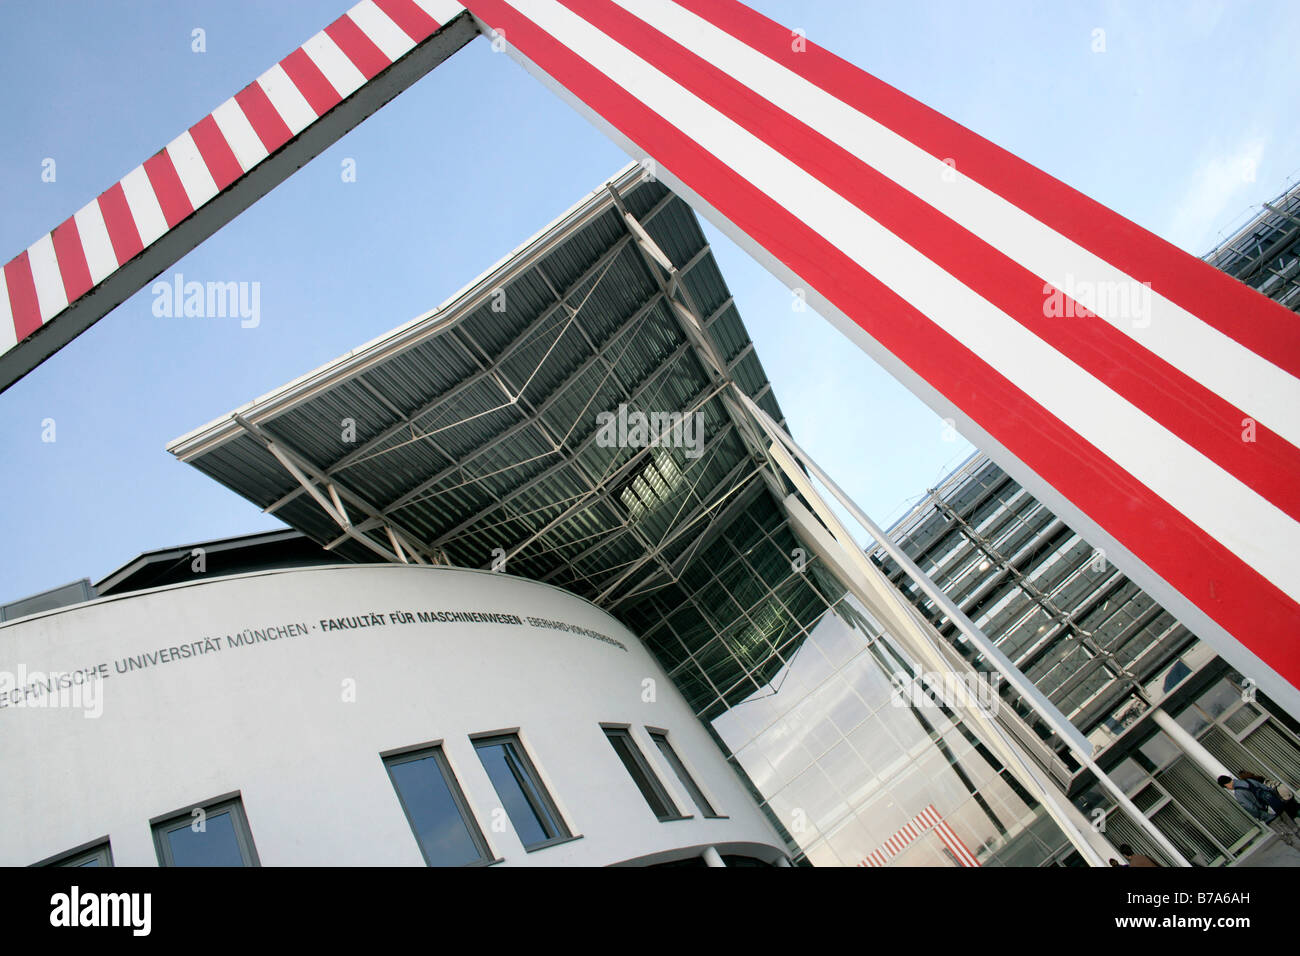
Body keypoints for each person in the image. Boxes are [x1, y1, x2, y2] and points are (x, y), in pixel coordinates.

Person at [1219, 773, 1300, 849]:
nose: (1229, 789)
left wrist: (1261, 815)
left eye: (1226, 787)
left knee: (1289, 837)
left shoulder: (1239, 793)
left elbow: (1250, 808)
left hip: (1269, 817)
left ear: (1226, 785)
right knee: (1295, 828)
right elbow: (1267, 789)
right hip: (1278, 807)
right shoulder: (1249, 781)